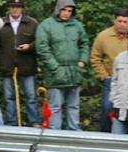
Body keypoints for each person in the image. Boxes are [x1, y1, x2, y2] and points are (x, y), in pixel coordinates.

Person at [35, 0, 89, 131]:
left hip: (74, 72)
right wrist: (54, 66)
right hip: (55, 73)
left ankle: (74, 132)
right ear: (58, 9)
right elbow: (42, 48)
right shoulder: (46, 25)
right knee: (55, 106)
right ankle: (54, 133)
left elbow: (84, 43)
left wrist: (82, 60)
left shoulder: (77, 26)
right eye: (64, 10)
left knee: (74, 105)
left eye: (70, 11)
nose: (66, 13)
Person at [0, 0, 40, 127]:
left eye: (18, 7)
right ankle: (11, 123)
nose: (15, 9)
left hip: (27, 65)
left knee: (30, 96)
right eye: (12, 6)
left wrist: (29, 47)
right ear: (8, 8)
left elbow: (40, 42)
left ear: (22, 8)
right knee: (8, 97)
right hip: (7, 66)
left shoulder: (32, 23)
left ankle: (34, 121)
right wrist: (1, 61)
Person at [91, 8, 128, 132]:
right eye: (119, 21)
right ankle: (105, 136)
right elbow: (95, 57)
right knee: (107, 107)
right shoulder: (104, 36)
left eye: (125, 22)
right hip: (111, 79)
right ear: (114, 21)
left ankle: (126, 139)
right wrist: (103, 75)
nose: (122, 24)